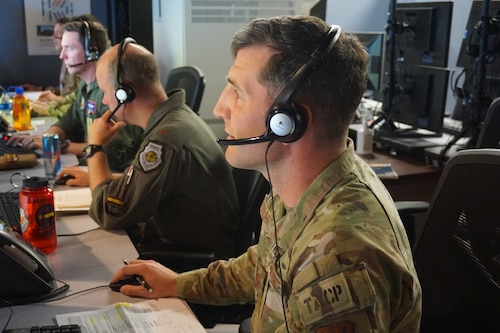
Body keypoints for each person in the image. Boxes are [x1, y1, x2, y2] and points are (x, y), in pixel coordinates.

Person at [110, 15, 422, 332]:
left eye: (238, 94)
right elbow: (264, 263)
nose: (220, 108)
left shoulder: (340, 258)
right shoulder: (306, 184)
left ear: (287, 121)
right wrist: (178, 284)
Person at [57, 38, 240, 264]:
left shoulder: (165, 141)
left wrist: (95, 148)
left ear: (125, 93)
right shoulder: (174, 119)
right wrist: (111, 178)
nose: (104, 101)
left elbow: (108, 212)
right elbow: (157, 181)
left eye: (105, 91)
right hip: (186, 242)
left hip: (190, 261)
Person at [9, 15, 142, 172]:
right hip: (90, 166)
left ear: (92, 51)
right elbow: (69, 121)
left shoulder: (112, 93)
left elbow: (114, 152)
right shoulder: (85, 87)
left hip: (111, 174)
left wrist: (63, 146)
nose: (62, 55)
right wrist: (47, 138)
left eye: (69, 48)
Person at [29, 17, 81, 117]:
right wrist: (40, 89)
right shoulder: (65, 59)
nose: (53, 37)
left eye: (57, 34)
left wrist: (52, 106)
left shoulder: (78, 63)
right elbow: (66, 90)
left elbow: (80, 101)